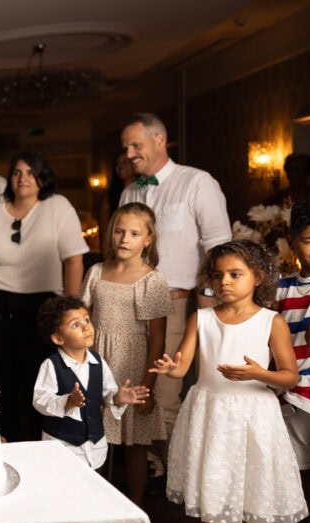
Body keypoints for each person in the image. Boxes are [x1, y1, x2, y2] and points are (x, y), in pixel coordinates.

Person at [151, 240, 306, 523]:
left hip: (254, 415)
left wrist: (259, 373)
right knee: (211, 484)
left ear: (258, 277)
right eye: (218, 275)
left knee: (252, 488)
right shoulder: (202, 318)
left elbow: (290, 376)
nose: (224, 282)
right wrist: (172, 368)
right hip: (210, 413)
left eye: (235, 274)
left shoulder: (271, 321)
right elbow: (183, 366)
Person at [120, 112, 230, 492]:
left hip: (175, 304)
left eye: (136, 145)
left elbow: (219, 249)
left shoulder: (197, 183)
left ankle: (184, 485)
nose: (129, 154)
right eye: (126, 147)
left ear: (159, 140)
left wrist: (210, 311)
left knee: (165, 398)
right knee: (135, 393)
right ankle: (154, 473)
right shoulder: (129, 192)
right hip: (130, 306)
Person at [0, 151, 89, 442]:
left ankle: (36, 453)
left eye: (31, 172)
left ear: (43, 177)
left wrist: (71, 314)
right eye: (17, 172)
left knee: (39, 387)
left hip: (42, 312)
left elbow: (74, 260)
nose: (23, 178)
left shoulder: (58, 207)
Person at [81, 203, 172, 505]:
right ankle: (93, 500)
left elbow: (157, 338)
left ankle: (135, 503)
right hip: (97, 361)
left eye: (134, 233)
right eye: (119, 231)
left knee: (134, 441)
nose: (124, 239)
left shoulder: (152, 279)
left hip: (132, 366)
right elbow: (81, 319)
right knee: (93, 434)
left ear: (148, 239)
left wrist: (148, 386)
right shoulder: (96, 272)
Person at [33, 295, 149, 469]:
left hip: (95, 446)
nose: (86, 327)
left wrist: (118, 398)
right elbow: (40, 400)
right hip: (62, 446)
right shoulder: (51, 365)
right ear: (58, 339)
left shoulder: (98, 362)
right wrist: (67, 402)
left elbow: (107, 394)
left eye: (86, 320)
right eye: (76, 325)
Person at [271, 196, 310, 523]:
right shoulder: (282, 289)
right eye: (309, 239)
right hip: (293, 396)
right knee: (308, 472)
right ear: (292, 242)